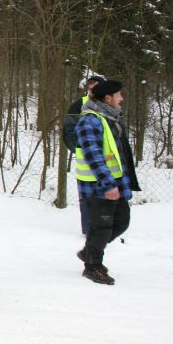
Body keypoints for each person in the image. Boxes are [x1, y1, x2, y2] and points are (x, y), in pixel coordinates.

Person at [74, 79, 140, 285]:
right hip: (98, 185)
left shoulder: (109, 118)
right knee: (101, 227)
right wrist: (108, 184)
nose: (122, 99)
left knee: (121, 221)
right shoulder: (90, 121)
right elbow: (93, 156)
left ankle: (89, 251)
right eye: (118, 95)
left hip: (115, 181)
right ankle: (92, 267)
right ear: (108, 98)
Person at [63, 75, 105, 235]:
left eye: (96, 84)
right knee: (87, 200)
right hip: (85, 165)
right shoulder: (78, 106)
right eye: (90, 84)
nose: (92, 87)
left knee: (106, 198)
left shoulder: (111, 105)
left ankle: (105, 230)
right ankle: (89, 231)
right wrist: (80, 149)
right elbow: (68, 132)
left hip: (108, 162)